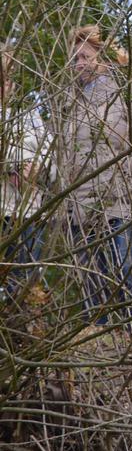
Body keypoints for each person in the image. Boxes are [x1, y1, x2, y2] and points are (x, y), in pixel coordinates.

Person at [53, 26, 132, 320]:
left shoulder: (130, 91)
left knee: (129, 288)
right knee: (94, 296)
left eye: (86, 56)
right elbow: (60, 155)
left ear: (103, 56)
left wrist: (119, 172)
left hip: (121, 206)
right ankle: (102, 358)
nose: (79, 63)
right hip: (78, 209)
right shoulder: (68, 102)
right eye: (75, 58)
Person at [0, 45, 48, 305]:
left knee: (24, 283)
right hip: (2, 209)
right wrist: (11, 167)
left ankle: (22, 331)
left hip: (27, 211)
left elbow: (52, 156)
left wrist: (37, 169)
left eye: (6, 78)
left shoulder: (29, 117)